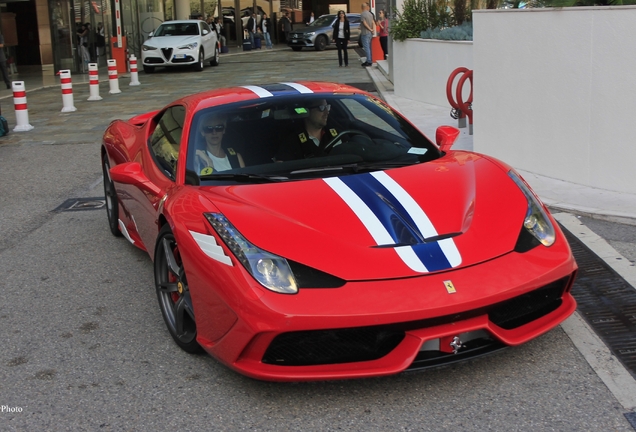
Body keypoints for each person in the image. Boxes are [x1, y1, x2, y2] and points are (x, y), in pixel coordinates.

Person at [276, 99, 340, 161]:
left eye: (327, 107)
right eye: (322, 108)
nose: (327, 112)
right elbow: (280, 168)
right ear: (306, 111)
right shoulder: (292, 142)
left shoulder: (336, 134)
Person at [359, 3, 374, 67]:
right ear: (367, 7)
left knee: (366, 48)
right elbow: (373, 22)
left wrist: (370, 29)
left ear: (362, 7)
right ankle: (369, 59)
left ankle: (369, 61)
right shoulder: (370, 14)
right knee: (369, 47)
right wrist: (372, 30)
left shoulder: (363, 14)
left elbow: (364, 23)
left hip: (365, 33)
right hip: (370, 33)